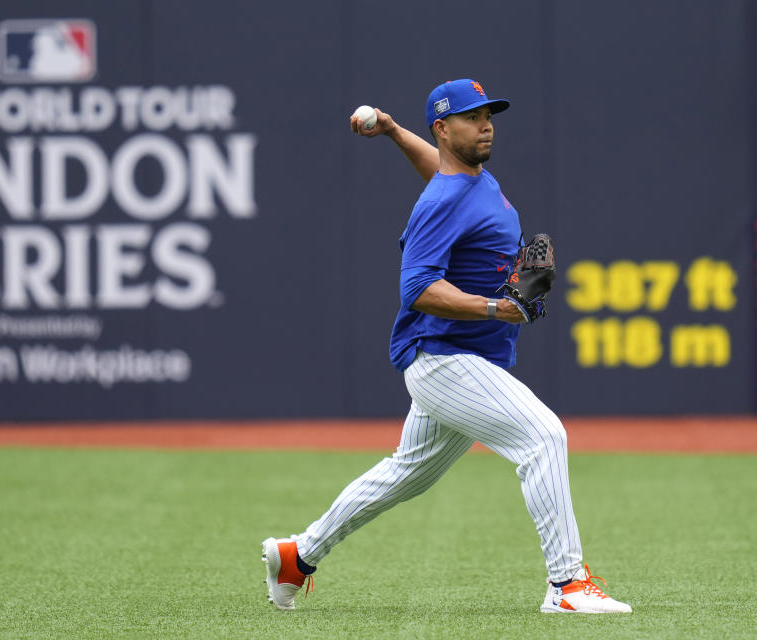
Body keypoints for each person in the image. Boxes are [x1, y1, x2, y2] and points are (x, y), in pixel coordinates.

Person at [261, 79, 632, 614]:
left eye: (489, 115)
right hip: (445, 359)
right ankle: (567, 586)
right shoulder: (440, 200)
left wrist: (391, 131)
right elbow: (418, 289)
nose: (485, 124)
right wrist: (493, 307)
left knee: (406, 472)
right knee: (544, 438)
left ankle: (298, 555)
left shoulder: (466, 178)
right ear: (444, 127)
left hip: (467, 357)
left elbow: (438, 168)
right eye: (470, 117)